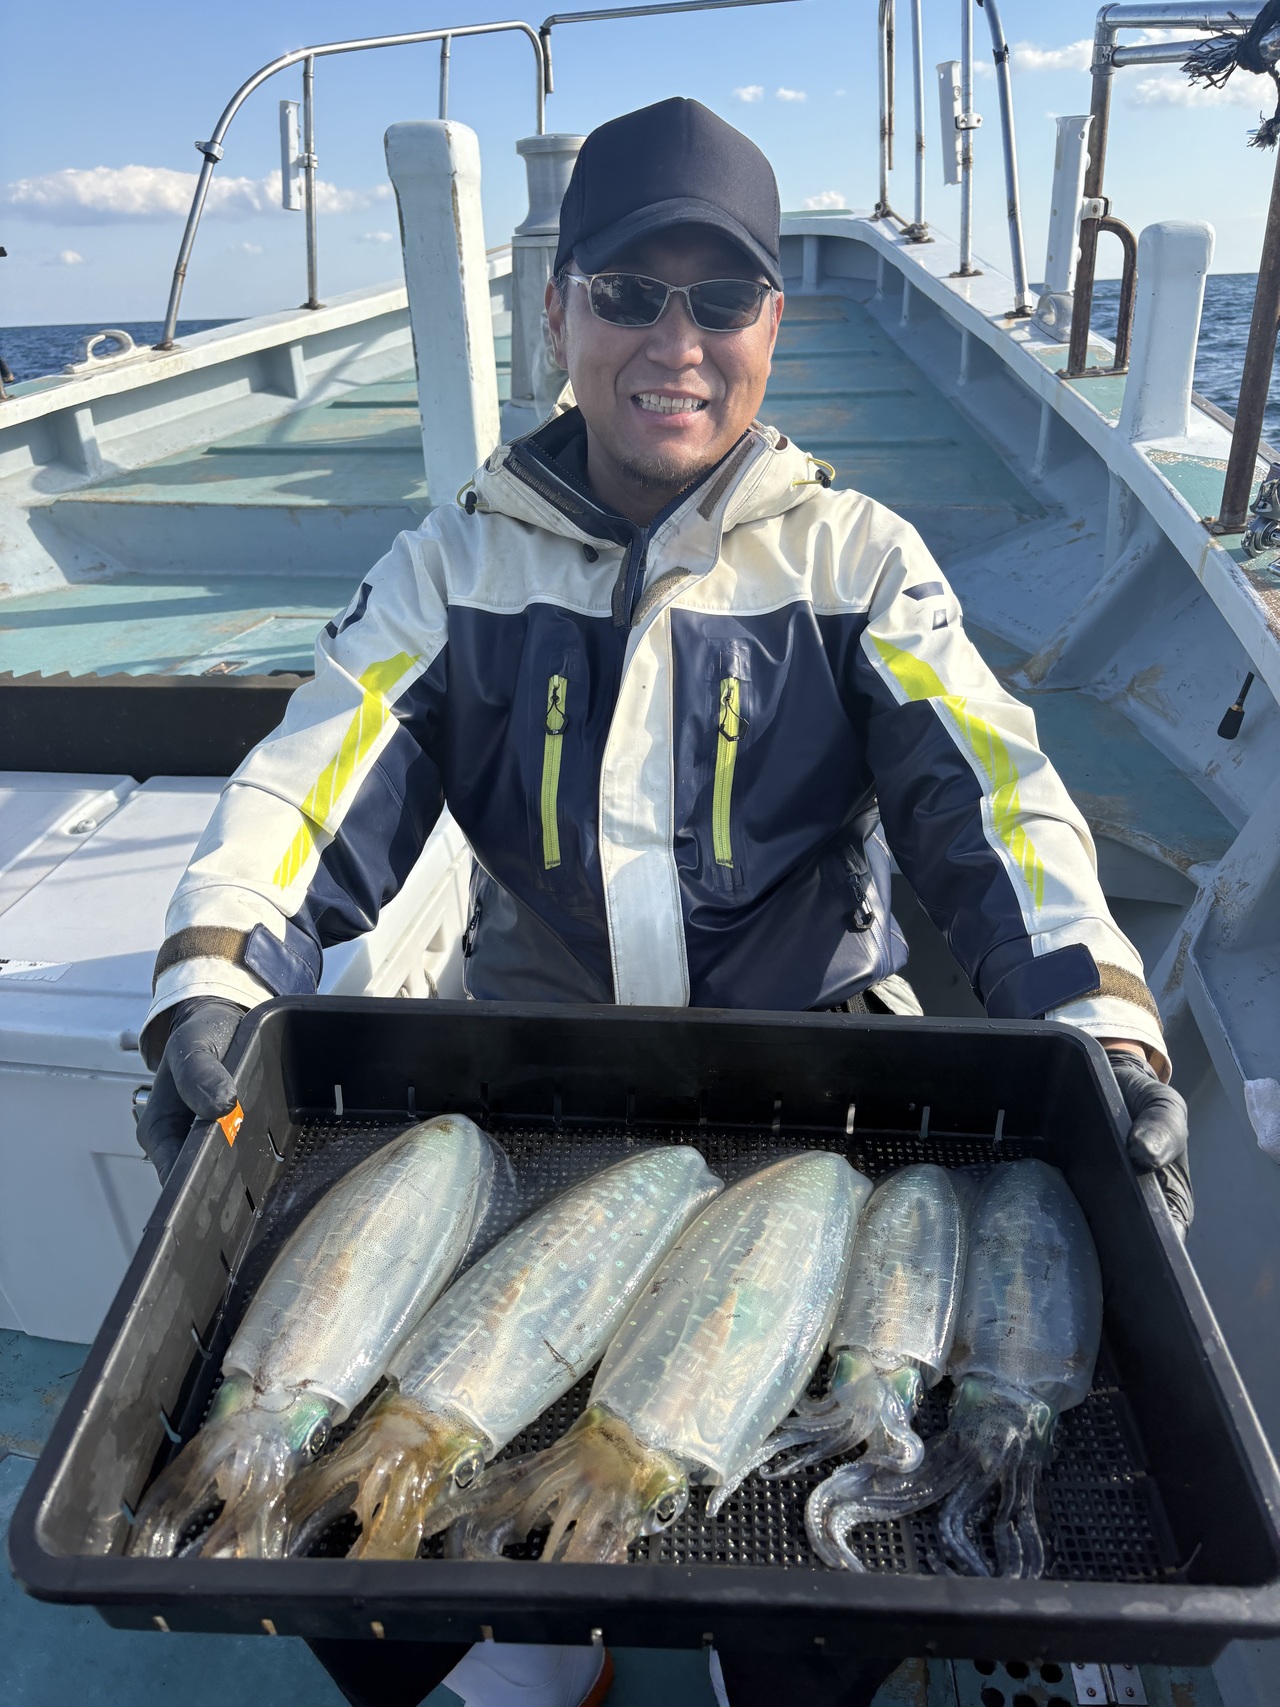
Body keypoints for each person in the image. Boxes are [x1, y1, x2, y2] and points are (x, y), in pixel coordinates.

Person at [136, 99, 1191, 1707]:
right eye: (630, 293)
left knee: (811, 1630)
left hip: (820, 1078)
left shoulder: (857, 560)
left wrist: (1105, 1026)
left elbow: (994, 805)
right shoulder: (453, 566)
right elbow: (311, 780)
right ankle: (532, 1664)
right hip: (538, 1079)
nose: (675, 341)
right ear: (560, 311)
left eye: (723, 297)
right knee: (369, 1586)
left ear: (774, 324)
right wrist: (212, 978)